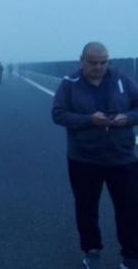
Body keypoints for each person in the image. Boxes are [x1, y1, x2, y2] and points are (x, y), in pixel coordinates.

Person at [52, 42, 138, 269]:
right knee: (87, 207)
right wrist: (89, 120)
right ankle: (91, 251)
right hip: (84, 159)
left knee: (129, 208)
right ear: (82, 60)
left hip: (123, 158)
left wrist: (127, 118)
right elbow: (59, 114)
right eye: (93, 63)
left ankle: (131, 256)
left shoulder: (122, 79)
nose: (99, 67)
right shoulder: (69, 83)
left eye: (103, 62)